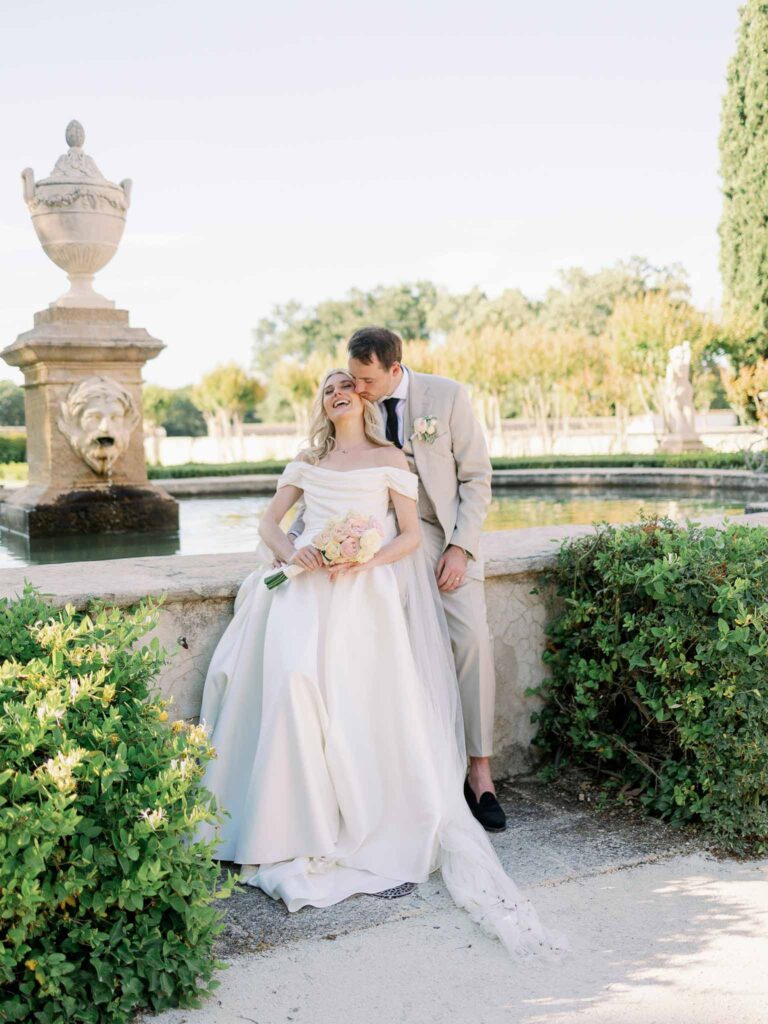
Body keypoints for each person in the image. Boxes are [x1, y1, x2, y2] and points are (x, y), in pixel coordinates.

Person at [197, 369, 561, 955]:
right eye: (326, 387)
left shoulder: (391, 457)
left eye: (347, 384)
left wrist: (365, 559)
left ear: (363, 397)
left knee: (352, 700)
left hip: (362, 590)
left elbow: (412, 537)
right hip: (302, 585)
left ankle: (351, 819)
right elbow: (270, 523)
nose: (337, 390)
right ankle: (284, 822)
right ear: (322, 402)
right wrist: (298, 550)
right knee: (292, 681)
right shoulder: (307, 457)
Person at [290, 326, 504, 832]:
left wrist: (460, 546)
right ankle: (402, 773)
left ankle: (480, 773)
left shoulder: (446, 396)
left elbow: (477, 477)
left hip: (438, 531)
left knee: (470, 638)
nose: (357, 389)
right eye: (352, 377)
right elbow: (328, 473)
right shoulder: (350, 402)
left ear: (393, 369)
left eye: (366, 379)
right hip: (372, 533)